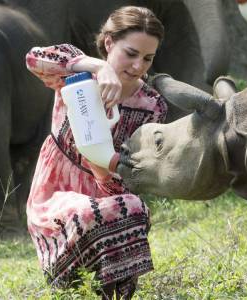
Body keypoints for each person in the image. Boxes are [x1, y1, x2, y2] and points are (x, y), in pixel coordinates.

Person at [25, 6, 167, 300]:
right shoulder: (76, 76)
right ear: (109, 43)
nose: (139, 65)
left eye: (148, 58)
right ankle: (68, 284)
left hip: (107, 189)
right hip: (55, 193)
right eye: (131, 53)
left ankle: (114, 293)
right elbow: (34, 58)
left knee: (134, 207)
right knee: (87, 213)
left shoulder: (152, 105)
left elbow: (137, 174)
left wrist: (106, 172)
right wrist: (98, 68)